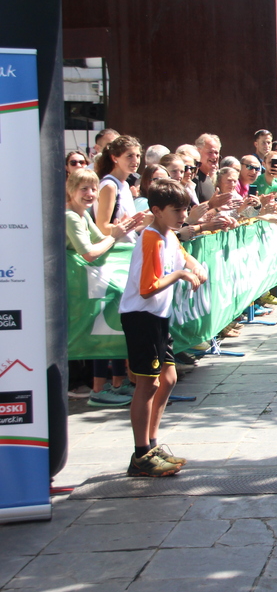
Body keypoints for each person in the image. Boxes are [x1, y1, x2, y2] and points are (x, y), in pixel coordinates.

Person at [120, 178, 207, 477]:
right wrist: (181, 274)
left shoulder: (169, 234)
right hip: (141, 317)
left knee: (167, 379)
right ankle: (141, 454)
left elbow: (184, 255)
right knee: (149, 384)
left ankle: (153, 444)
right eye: (176, 210)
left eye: (185, 209)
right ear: (157, 211)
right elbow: (147, 288)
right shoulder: (151, 238)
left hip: (158, 317)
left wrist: (195, 267)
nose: (183, 215)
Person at [65, 168, 141, 407]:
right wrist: (115, 236)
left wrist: (122, 231)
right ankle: (98, 389)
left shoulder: (83, 215)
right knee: (95, 333)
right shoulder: (70, 216)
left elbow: (102, 240)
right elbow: (89, 253)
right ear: (71, 190)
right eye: (83, 189)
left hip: (88, 285)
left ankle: (114, 384)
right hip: (75, 288)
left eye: (92, 189)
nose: (90, 194)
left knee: (108, 326)